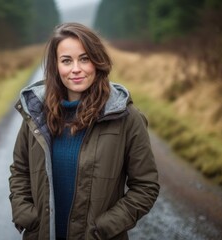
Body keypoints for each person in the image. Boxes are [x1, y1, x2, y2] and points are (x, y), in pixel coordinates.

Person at [9, 22, 159, 240]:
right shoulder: (37, 114)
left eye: (85, 58)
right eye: (66, 60)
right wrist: (26, 215)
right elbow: (20, 170)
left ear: (98, 62)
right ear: (56, 66)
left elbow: (146, 186)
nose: (76, 69)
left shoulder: (126, 118)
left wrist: (103, 228)